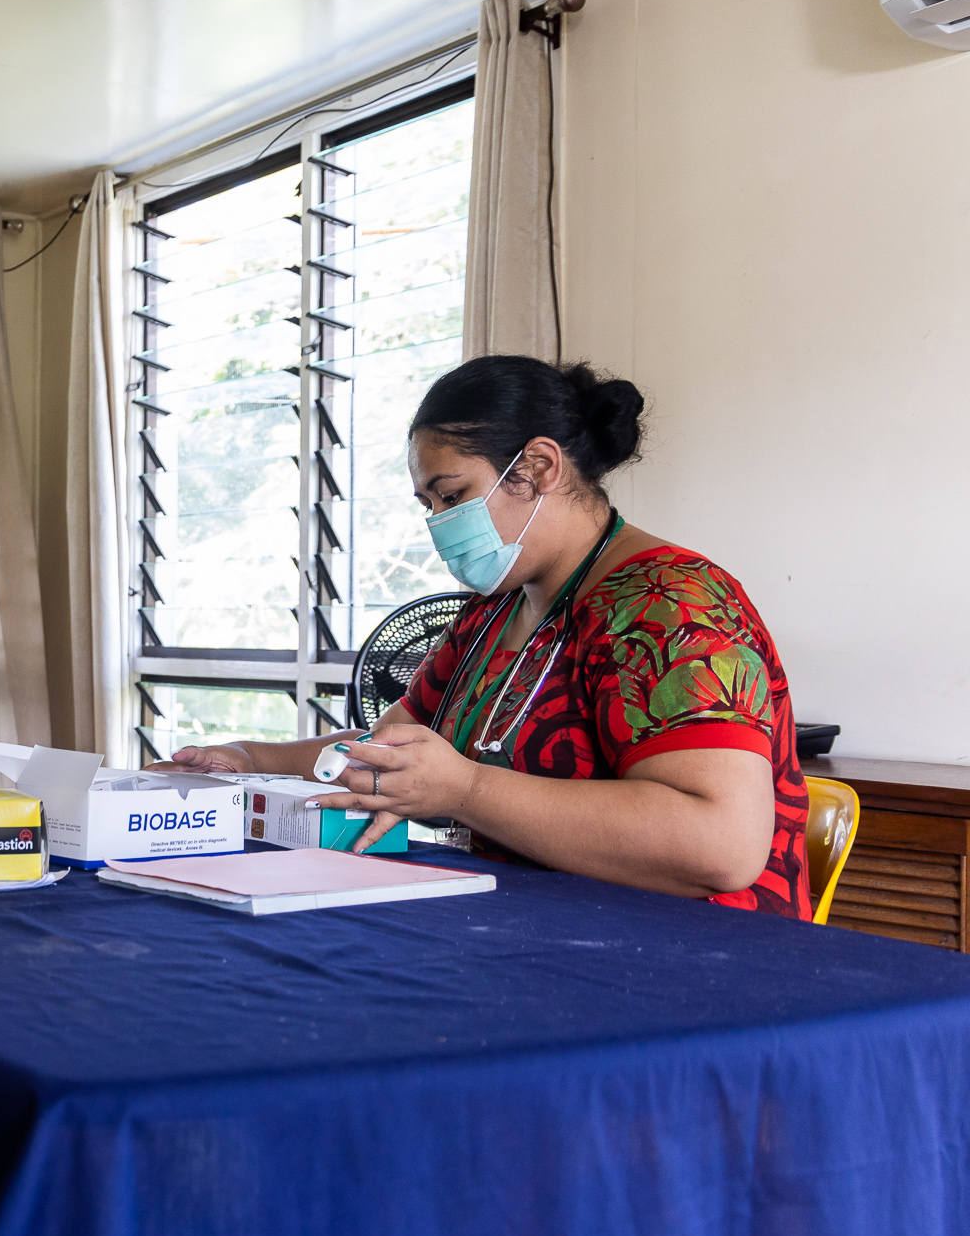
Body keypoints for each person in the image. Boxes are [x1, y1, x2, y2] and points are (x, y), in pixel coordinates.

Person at [158, 356, 811, 918]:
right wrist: (250, 758)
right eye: (429, 506)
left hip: (694, 970)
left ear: (537, 466)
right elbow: (392, 750)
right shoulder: (494, 610)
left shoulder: (671, 605)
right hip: (529, 936)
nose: (439, 524)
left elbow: (720, 845)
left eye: (452, 495)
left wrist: (466, 789)